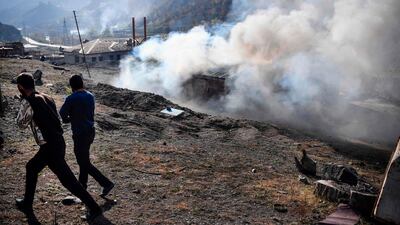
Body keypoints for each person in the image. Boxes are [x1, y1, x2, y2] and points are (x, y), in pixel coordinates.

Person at [15, 73, 102, 224]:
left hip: (50, 147)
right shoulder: (47, 97)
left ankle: (94, 208)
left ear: (20, 87)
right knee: (32, 167)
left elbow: (21, 124)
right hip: (57, 142)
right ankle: (27, 204)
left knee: (69, 181)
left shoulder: (29, 101)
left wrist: (22, 105)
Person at [60, 75, 114, 197]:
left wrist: (69, 119)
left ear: (71, 86)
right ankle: (82, 186)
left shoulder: (71, 98)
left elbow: (62, 113)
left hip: (80, 134)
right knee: (84, 160)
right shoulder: (90, 96)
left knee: (83, 162)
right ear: (82, 84)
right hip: (90, 132)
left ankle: (106, 183)